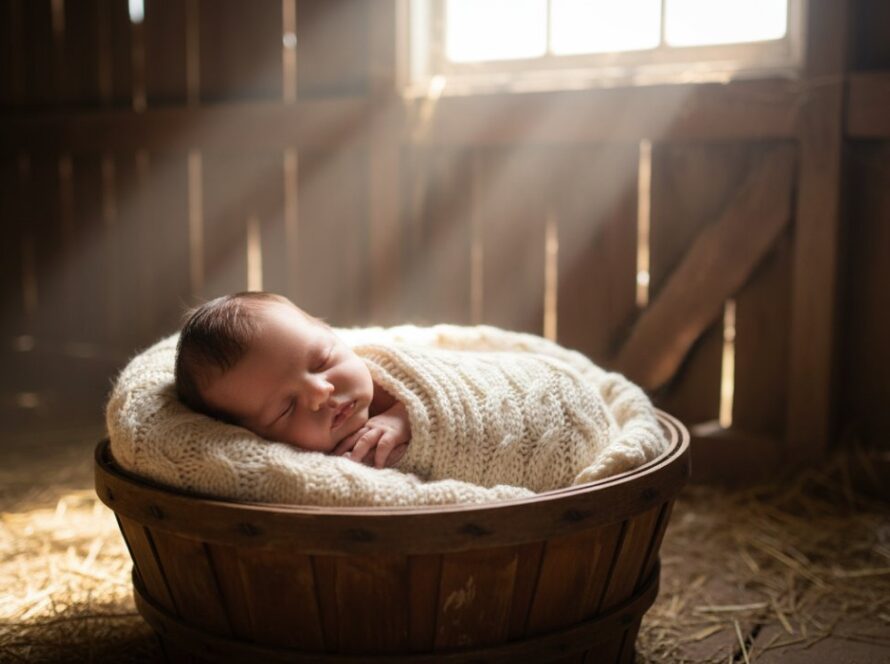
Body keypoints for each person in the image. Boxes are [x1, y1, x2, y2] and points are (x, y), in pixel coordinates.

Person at [175, 292, 412, 469]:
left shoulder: (393, 377)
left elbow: (436, 382)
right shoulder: (302, 469)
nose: (321, 392)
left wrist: (403, 417)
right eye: (287, 408)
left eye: (322, 361)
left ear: (332, 333)